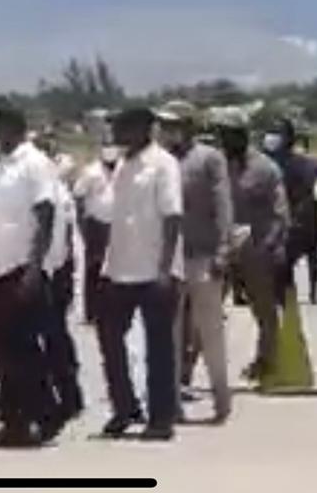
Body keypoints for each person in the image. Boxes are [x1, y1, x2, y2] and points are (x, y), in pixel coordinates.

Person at [0, 105, 63, 448]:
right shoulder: (0, 168)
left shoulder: (34, 163)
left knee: (17, 348)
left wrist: (35, 266)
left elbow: (45, 212)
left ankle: (30, 417)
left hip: (18, 268)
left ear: (16, 127)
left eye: (1, 127)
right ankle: (24, 414)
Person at [95, 107, 184, 441]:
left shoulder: (163, 164)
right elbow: (108, 212)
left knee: (158, 346)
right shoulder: (121, 165)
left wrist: (165, 269)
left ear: (143, 129)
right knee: (109, 336)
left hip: (153, 270)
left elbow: (173, 216)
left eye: (122, 127)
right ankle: (125, 406)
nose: (116, 133)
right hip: (119, 268)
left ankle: (161, 418)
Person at [158, 100, 233, 424]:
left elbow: (223, 204)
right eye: (164, 125)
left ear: (189, 125)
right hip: (169, 261)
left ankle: (221, 397)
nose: (167, 130)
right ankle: (171, 400)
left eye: (174, 124)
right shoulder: (160, 161)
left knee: (209, 330)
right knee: (169, 334)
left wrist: (223, 249)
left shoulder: (208, 159)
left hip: (203, 256)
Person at [216, 107, 290, 386]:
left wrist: (270, 245)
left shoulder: (266, 169)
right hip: (220, 247)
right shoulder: (216, 166)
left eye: (228, 134)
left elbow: (280, 212)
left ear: (242, 135)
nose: (223, 140)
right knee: (204, 310)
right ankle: (186, 370)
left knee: (265, 311)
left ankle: (266, 361)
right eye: (220, 133)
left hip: (256, 248)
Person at [262, 118, 317, 305]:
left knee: (285, 260)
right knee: (312, 255)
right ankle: (312, 293)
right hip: (309, 214)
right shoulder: (310, 162)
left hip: (289, 217)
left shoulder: (273, 163)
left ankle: (287, 296)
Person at [42, 172, 86, 423]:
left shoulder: (56, 193)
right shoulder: (57, 191)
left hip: (55, 271)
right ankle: (68, 395)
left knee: (54, 336)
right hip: (57, 269)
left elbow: (62, 239)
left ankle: (68, 396)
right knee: (55, 336)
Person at [73, 145, 118, 323]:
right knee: (93, 267)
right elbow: (78, 195)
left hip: (117, 225)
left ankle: (110, 310)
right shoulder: (91, 172)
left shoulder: (123, 169)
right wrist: (82, 224)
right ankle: (91, 312)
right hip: (95, 224)